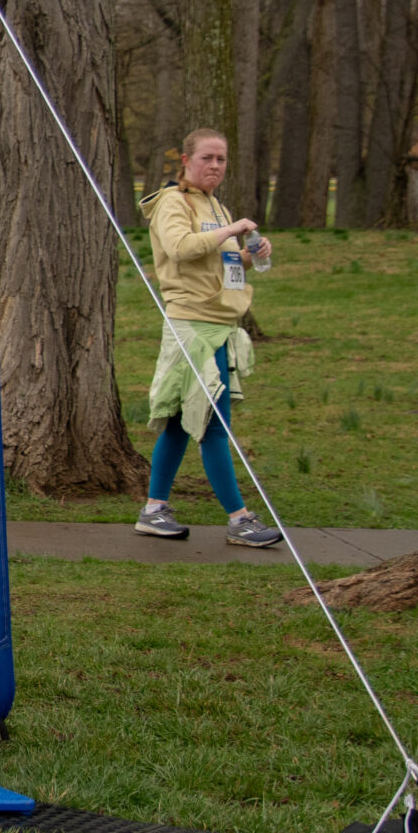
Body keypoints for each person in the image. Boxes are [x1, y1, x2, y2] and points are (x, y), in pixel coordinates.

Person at [136, 129, 282, 549]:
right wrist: (232, 229)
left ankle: (153, 510)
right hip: (193, 327)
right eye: (207, 158)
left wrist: (251, 255)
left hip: (219, 325)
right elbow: (180, 248)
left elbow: (222, 264)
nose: (215, 166)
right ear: (186, 160)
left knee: (182, 423)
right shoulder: (173, 202)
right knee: (215, 425)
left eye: (221, 159)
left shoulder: (215, 206)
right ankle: (240, 519)